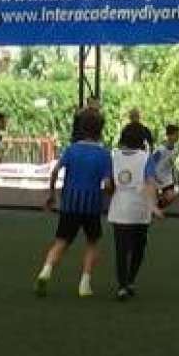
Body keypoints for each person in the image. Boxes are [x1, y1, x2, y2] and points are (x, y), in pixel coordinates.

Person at [37, 109, 114, 299]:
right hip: (91, 205)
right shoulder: (104, 154)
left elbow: (55, 171)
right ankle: (84, 284)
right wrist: (110, 194)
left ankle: (46, 271)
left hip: (70, 202)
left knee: (61, 241)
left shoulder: (71, 150)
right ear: (100, 130)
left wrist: (52, 194)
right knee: (92, 243)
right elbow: (107, 184)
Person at [109, 123, 164, 301]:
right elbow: (150, 182)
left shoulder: (115, 156)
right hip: (140, 209)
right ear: (142, 140)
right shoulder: (146, 158)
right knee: (138, 248)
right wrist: (154, 206)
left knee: (121, 250)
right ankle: (130, 280)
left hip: (119, 208)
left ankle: (122, 286)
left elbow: (109, 183)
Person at [152, 124, 179, 208]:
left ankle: (158, 206)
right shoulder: (160, 149)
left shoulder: (175, 149)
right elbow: (151, 163)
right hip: (157, 177)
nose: (177, 137)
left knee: (171, 196)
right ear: (169, 136)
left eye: (178, 135)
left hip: (167, 179)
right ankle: (154, 207)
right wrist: (154, 176)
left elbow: (171, 163)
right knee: (154, 199)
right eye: (176, 135)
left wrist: (174, 176)